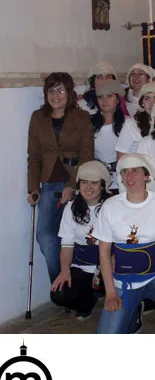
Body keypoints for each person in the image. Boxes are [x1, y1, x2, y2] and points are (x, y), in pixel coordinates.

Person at [93, 153, 155, 334]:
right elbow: (104, 253)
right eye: (125, 172)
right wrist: (110, 292)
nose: (129, 176)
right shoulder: (110, 206)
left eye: (135, 171)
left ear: (146, 176)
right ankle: (133, 312)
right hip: (123, 282)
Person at [27, 72, 94, 282]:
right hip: (47, 184)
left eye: (61, 90)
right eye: (51, 90)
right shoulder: (38, 117)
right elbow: (34, 155)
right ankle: (62, 283)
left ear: (70, 93)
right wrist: (33, 188)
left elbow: (87, 154)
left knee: (72, 235)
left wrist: (72, 185)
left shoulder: (81, 117)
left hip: (75, 182)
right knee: (45, 237)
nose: (56, 95)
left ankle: (77, 284)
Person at [50, 161, 112, 319]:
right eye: (84, 182)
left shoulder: (112, 206)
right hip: (82, 267)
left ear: (103, 185)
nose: (88, 187)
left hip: (109, 266)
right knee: (59, 294)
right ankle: (88, 302)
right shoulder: (70, 208)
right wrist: (64, 272)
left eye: (94, 183)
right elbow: (67, 245)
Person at [116, 82, 155, 157]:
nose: (152, 103)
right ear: (142, 103)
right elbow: (121, 157)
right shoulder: (131, 124)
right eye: (147, 99)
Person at [93, 81, 126, 192]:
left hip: (123, 179)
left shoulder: (129, 123)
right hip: (96, 180)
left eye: (109, 96)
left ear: (117, 99)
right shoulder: (89, 123)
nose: (104, 100)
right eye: (100, 97)